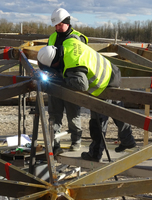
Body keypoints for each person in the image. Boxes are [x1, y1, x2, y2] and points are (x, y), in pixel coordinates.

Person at [37, 38, 136, 162]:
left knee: (98, 122)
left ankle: (95, 155)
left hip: (102, 84)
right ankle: (128, 140)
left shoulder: (71, 66)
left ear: (54, 64)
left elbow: (81, 84)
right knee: (118, 112)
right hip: (112, 72)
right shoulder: (68, 42)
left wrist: (63, 78)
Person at [46, 8, 88, 156]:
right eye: (55, 25)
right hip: (55, 82)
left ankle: (76, 141)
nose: (57, 28)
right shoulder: (52, 37)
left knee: (73, 115)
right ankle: (54, 144)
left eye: (60, 25)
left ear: (67, 23)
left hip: (72, 82)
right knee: (54, 115)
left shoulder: (78, 38)